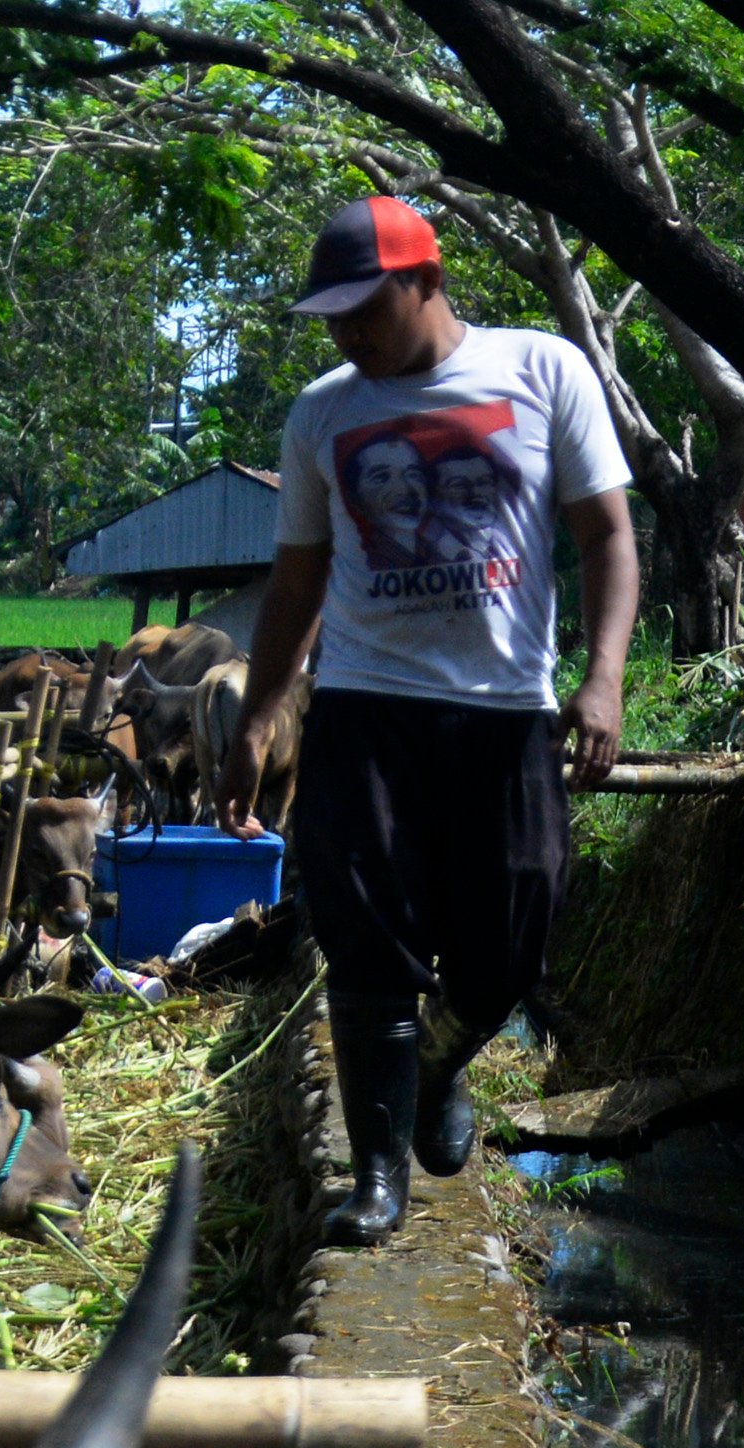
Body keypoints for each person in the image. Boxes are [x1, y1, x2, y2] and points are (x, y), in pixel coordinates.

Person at [218, 194, 639, 1247]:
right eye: (331, 316)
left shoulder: (542, 372)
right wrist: (263, 710)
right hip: (365, 709)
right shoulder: (322, 412)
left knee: (510, 940)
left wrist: (605, 678)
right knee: (365, 941)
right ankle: (376, 1181)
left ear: (426, 281)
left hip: (503, 710)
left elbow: (606, 538)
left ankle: (442, 1060)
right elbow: (296, 580)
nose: (345, 332)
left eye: (364, 308)